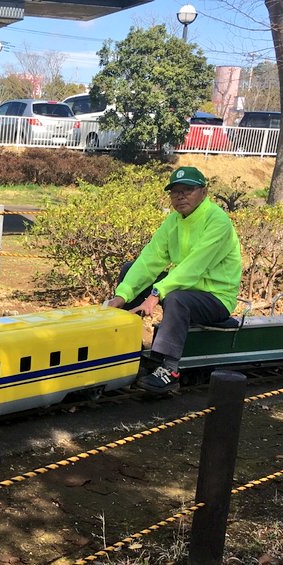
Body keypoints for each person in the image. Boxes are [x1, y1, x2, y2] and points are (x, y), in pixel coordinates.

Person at [106, 166, 242, 394]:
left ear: (204, 192)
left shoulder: (218, 221)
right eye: (175, 192)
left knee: (177, 298)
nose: (180, 196)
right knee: (131, 269)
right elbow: (150, 259)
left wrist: (156, 294)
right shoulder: (174, 221)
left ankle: (170, 370)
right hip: (185, 285)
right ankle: (128, 353)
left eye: (187, 190)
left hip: (216, 296)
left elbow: (193, 267)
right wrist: (122, 295)